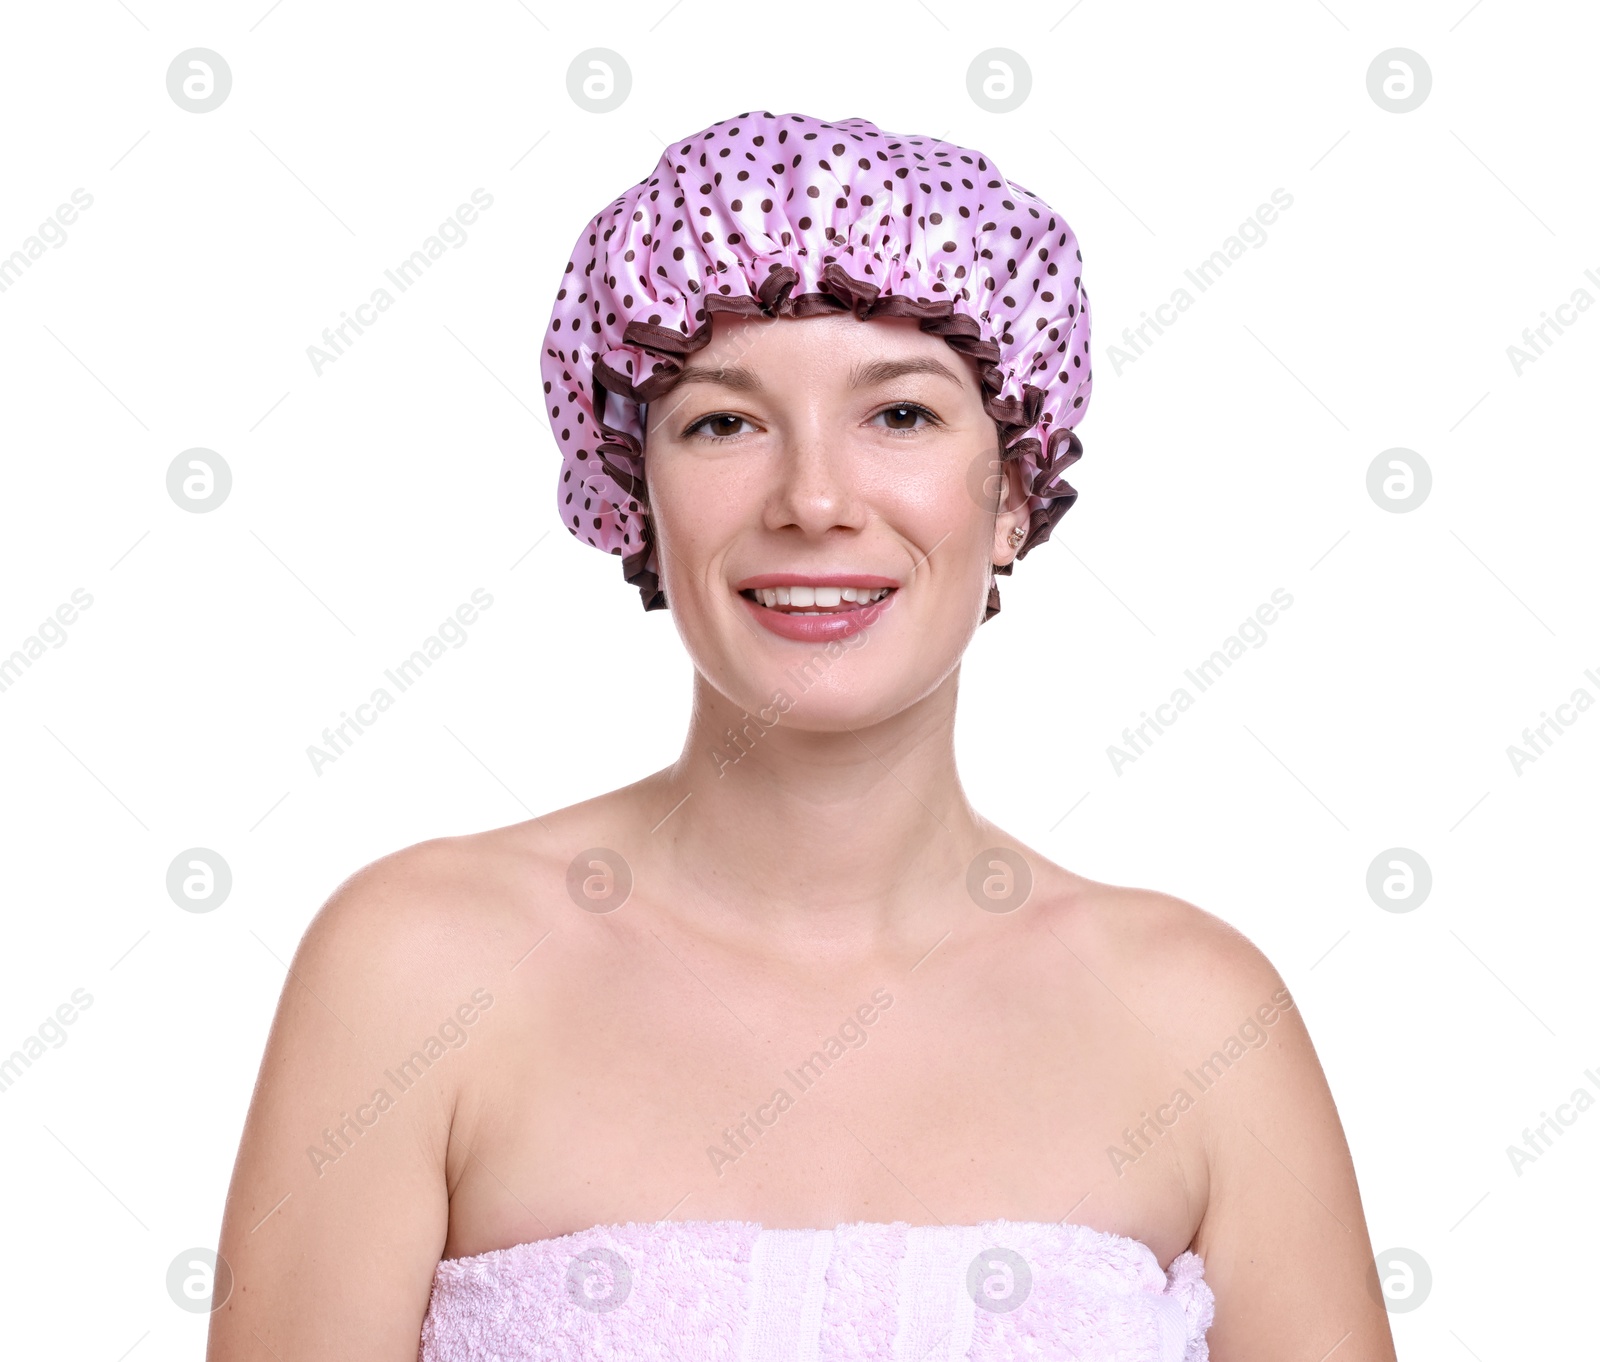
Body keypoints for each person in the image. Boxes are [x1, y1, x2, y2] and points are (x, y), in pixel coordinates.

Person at [208, 111, 1396, 1361]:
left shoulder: (1200, 1019)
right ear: (636, 494)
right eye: (723, 422)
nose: (814, 500)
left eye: (900, 417)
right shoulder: (417, 970)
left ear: (1015, 494)